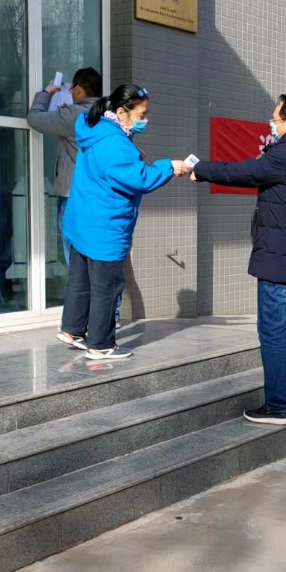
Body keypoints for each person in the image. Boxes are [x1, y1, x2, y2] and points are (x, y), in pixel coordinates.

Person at [190, 93, 286, 425]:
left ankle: (278, 407)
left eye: (275, 119)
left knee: (273, 333)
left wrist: (201, 169)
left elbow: (245, 172)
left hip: (277, 257)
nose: (271, 125)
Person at [58, 84, 189, 359]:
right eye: (141, 115)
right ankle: (101, 345)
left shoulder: (94, 128)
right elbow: (139, 179)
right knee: (107, 288)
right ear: (121, 112)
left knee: (80, 280)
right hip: (104, 226)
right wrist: (169, 166)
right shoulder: (114, 143)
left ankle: (72, 330)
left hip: (81, 220)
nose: (145, 120)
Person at [26, 67, 102, 265]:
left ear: (78, 90)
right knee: (98, 257)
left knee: (75, 258)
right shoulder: (109, 115)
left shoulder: (75, 114)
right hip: (101, 195)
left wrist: (46, 93)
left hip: (73, 195)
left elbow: (34, 119)